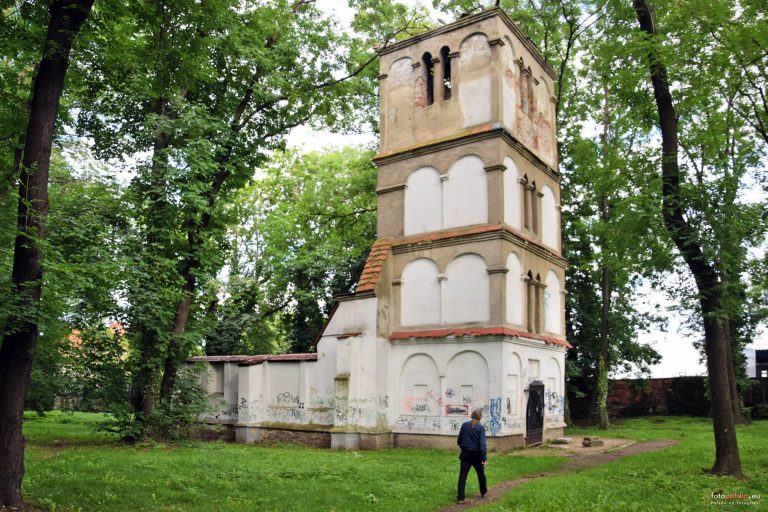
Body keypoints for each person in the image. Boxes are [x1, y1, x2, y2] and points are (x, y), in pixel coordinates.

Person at [456, 408, 488, 503]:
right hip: (476, 455)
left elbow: (459, 440)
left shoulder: (464, 425)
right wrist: (484, 458)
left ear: (472, 416)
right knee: (480, 474)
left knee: (462, 476)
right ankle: (483, 491)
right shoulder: (480, 428)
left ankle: (461, 498)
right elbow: (482, 445)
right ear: (480, 418)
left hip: (465, 454)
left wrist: (462, 447)